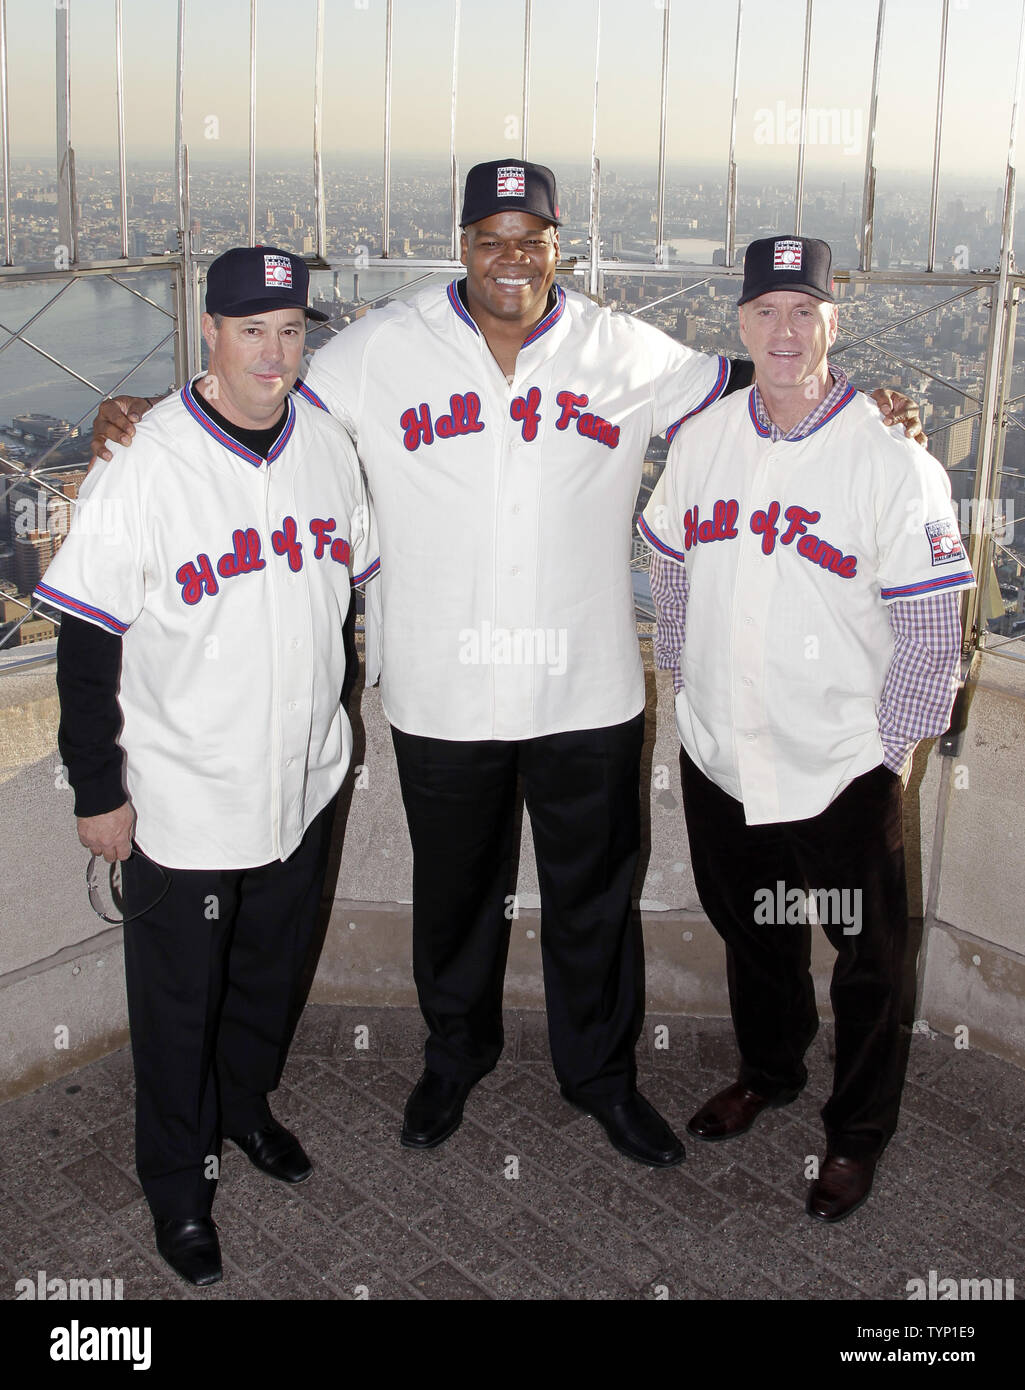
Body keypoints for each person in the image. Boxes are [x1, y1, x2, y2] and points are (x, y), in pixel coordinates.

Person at [89, 162, 924, 1171]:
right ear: (463, 245)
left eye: (531, 237)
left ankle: (600, 1077)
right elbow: (257, 383)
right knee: (456, 899)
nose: (511, 257)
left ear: (556, 248)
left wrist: (872, 404)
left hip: (588, 690)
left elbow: (755, 378)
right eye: (491, 236)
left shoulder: (619, 347)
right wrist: (142, 411)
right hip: (443, 691)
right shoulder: (380, 348)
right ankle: (454, 1058)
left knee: (591, 902)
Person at [37, 246, 379, 1285]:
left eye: (289, 331)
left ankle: (245, 1109)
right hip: (182, 792)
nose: (272, 353)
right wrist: (97, 787)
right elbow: (86, 640)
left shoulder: (326, 444)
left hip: (303, 775)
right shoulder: (143, 459)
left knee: (267, 976)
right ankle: (177, 1186)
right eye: (250, 331)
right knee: (179, 1003)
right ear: (210, 335)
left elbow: (352, 587)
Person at [639, 235, 975, 1220]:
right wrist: (682, 678)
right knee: (754, 934)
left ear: (834, 320)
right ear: (738, 323)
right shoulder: (702, 441)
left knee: (867, 962)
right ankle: (770, 1070)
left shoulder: (891, 460)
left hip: (840, 768)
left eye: (803, 310)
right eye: (764, 312)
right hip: (721, 752)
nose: (782, 331)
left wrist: (889, 759)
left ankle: (853, 1135)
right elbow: (666, 557)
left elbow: (929, 632)